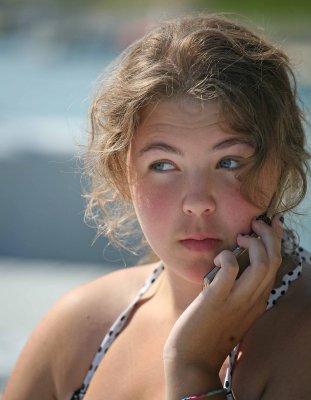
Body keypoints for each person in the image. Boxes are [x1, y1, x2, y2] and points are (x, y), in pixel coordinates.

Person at [3, 14, 311, 400]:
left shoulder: (302, 342)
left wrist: (192, 365)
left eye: (229, 162)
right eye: (163, 165)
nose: (197, 202)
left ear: (281, 163)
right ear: (122, 172)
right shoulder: (80, 327)